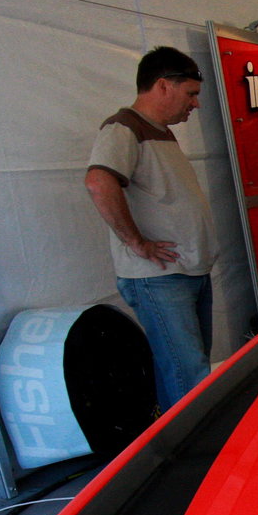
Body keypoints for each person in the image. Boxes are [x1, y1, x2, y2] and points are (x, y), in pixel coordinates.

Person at [84, 46, 218, 410]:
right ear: (163, 86)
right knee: (187, 373)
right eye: (190, 93)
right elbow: (99, 182)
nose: (195, 104)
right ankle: (195, 459)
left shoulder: (158, 131)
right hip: (159, 277)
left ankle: (177, 440)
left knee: (186, 370)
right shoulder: (123, 128)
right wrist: (137, 243)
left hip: (184, 271)